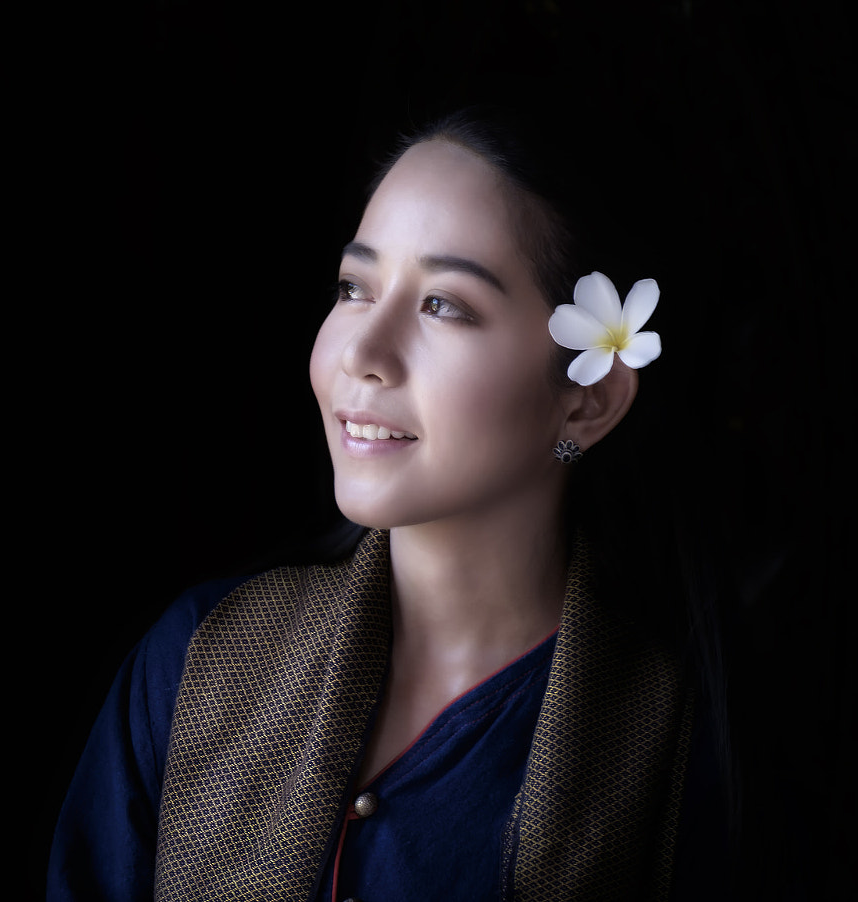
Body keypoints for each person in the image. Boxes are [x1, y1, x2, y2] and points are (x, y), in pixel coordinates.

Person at [47, 107, 729, 901]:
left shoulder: (672, 744)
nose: (362, 355)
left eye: (443, 304)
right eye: (353, 287)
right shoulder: (199, 659)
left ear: (588, 402)